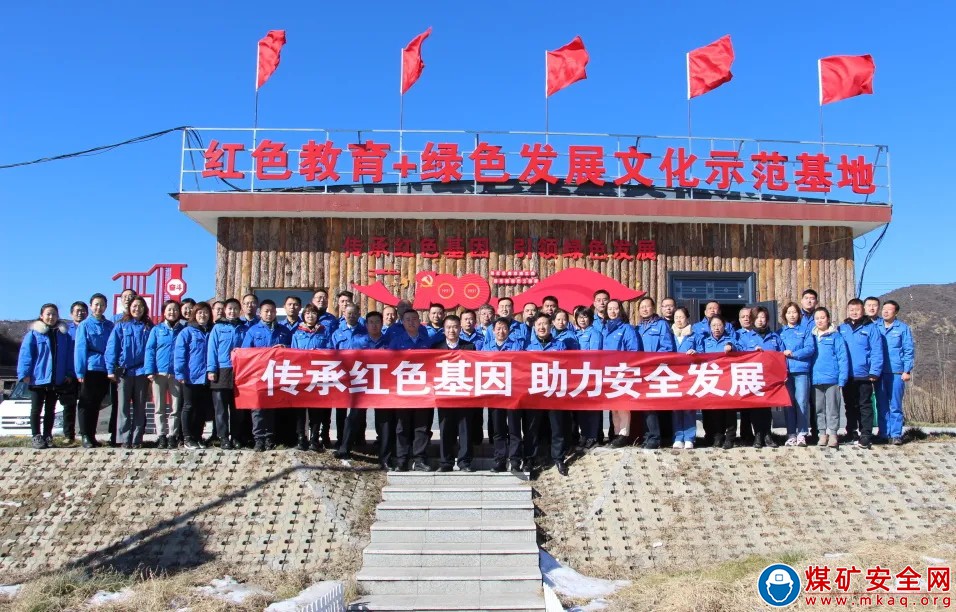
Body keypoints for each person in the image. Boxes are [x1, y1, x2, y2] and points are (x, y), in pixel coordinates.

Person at [335, 311, 390, 465]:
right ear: (366, 325)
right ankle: (344, 449)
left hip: (382, 385)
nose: (374, 325)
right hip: (362, 384)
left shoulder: (389, 341)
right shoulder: (358, 341)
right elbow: (349, 360)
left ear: (382, 324)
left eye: (377, 322)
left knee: (384, 421)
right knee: (353, 417)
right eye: (371, 322)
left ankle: (384, 456)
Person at [18, 304, 75, 449]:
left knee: (51, 409)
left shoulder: (64, 335)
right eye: (48, 314)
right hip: (38, 377)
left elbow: (69, 356)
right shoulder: (33, 334)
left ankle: (47, 435)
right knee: (36, 408)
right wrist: (24, 373)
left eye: (54, 314)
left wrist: (69, 373)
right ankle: (36, 436)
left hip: (56, 378)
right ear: (42, 315)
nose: (51, 317)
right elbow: (26, 355)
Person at [241, 300, 293, 451]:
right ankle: (258, 439)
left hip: (276, 375)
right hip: (258, 375)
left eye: (272, 311)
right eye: (266, 311)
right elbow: (245, 352)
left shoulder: (283, 331)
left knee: (271, 407)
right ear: (260, 313)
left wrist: (285, 348)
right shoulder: (253, 331)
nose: (269, 314)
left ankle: (270, 438)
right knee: (257, 408)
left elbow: (294, 350)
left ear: (276, 313)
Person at [387, 309, 435, 471]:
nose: (411, 322)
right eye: (408, 319)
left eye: (415, 319)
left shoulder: (427, 341)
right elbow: (388, 363)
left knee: (421, 427)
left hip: (423, 390)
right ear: (403, 322)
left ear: (419, 321)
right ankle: (402, 459)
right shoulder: (396, 341)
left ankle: (420, 459)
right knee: (402, 427)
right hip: (403, 391)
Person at [105, 296, 153, 449]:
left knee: (140, 407)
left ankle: (137, 438)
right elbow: (112, 348)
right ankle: (124, 438)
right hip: (124, 372)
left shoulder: (148, 327)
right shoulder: (121, 326)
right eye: (134, 306)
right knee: (123, 407)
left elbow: (151, 350)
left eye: (140, 306)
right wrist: (110, 369)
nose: (137, 309)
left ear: (144, 308)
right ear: (129, 308)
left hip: (142, 372)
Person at [525, 313, 569, 476]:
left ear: (551, 326)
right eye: (539, 324)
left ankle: (558, 458)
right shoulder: (528, 347)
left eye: (545, 324)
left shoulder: (560, 345)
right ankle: (530, 458)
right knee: (531, 429)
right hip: (534, 394)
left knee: (557, 428)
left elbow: (566, 367)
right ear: (534, 327)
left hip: (554, 393)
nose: (542, 327)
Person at [432, 314, 477, 472]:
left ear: (460, 328)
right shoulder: (436, 348)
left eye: (455, 327)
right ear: (444, 330)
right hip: (444, 395)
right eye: (449, 327)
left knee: (465, 428)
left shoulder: (469, 347)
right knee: (445, 429)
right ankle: (446, 462)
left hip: (464, 395)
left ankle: (465, 462)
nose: (452, 330)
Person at [735, 306, 783, 449]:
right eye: (757, 318)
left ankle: (767, 434)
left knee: (766, 408)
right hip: (753, 377)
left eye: (763, 317)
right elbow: (739, 354)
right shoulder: (746, 337)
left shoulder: (775, 337)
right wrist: (752, 351)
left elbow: (781, 357)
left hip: (770, 377)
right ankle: (758, 436)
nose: (760, 320)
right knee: (756, 408)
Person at [838, 298, 883, 449]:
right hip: (847, 374)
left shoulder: (871, 328)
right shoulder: (842, 328)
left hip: (864, 374)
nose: (854, 312)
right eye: (851, 310)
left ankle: (866, 435)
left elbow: (877, 351)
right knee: (850, 405)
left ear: (862, 310)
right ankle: (851, 432)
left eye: (857, 310)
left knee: (865, 405)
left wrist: (874, 371)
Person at [292, 303, 335, 451]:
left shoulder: (324, 332)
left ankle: (314, 439)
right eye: (308, 313)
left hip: (318, 376)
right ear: (304, 316)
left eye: (313, 313)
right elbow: (292, 354)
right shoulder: (297, 333)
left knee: (316, 410)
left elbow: (331, 351)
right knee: (300, 410)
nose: (310, 316)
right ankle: (300, 438)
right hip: (301, 376)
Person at [206, 298, 248, 449]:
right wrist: (211, 369)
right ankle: (223, 437)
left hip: (240, 371)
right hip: (221, 370)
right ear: (225, 310)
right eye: (230, 308)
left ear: (240, 310)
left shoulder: (245, 328)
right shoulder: (218, 328)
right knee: (221, 408)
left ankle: (236, 437)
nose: (232, 311)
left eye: (235, 308)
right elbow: (212, 349)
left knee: (237, 407)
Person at [75, 293, 114, 448]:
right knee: (86, 402)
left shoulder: (110, 325)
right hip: (91, 367)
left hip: (105, 368)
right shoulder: (85, 325)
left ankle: (92, 435)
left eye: (102, 304)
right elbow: (80, 348)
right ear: (91, 306)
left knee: (97, 402)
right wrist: (80, 371)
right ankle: (85, 434)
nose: (99, 307)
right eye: (96, 304)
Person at [636, 297, 676, 449]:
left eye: (648, 306)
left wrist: (652, 360)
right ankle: (647, 436)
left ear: (653, 308)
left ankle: (655, 438)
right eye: (642, 307)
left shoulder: (661, 325)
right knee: (643, 405)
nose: (645, 309)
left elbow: (667, 347)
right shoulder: (637, 328)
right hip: (641, 371)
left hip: (656, 369)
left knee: (651, 405)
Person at [602, 299, 642, 447]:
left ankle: (624, 434)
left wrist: (627, 368)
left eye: (615, 308)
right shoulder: (604, 329)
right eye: (610, 309)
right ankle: (616, 433)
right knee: (613, 405)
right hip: (608, 372)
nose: (612, 311)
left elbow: (634, 351)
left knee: (623, 405)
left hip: (623, 371)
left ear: (620, 310)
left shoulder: (627, 329)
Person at [483, 317, 521, 472]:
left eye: (504, 328)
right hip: (495, 395)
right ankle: (500, 460)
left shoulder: (517, 346)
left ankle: (516, 460)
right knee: (498, 431)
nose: (501, 331)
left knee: (514, 430)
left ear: (509, 330)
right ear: (493, 331)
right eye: (498, 328)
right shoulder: (486, 348)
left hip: (513, 394)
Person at [144, 300, 183, 449]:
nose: (172, 312)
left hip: (176, 374)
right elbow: (150, 350)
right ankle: (161, 436)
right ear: (164, 312)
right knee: (159, 407)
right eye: (169, 310)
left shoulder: (182, 330)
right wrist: (149, 370)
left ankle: (172, 436)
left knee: (175, 407)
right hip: (158, 373)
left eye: (175, 310)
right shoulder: (157, 330)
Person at [174, 301, 213, 450]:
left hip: (206, 377)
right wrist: (180, 372)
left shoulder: (211, 331)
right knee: (189, 407)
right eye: (200, 312)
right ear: (194, 315)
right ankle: (187, 438)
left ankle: (198, 436)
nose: (203, 315)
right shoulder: (187, 332)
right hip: (191, 375)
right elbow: (179, 354)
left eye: (205, 312)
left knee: (202, 408)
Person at [694, 315, 736, 449]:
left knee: (729, 410)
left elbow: (739, 349)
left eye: (719, 325)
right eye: (713, 325)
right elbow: (700, 355)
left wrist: (731, 347)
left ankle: (730, 437)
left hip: (727, 379)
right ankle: (716, 436)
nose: (716, 328)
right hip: (711, 379)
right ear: (709, 328)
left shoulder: (731, 340)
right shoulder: (705, 341)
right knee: (713, 410)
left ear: (724, 326)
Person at [876, 300, 915, 445]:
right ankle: (883, 433)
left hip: (897, 371)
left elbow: (908, 350)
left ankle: (896, 434)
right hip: (879, 371)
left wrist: (907, 370)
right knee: (881, 404)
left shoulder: (903, 328)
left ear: (896, 312)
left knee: (895, 404)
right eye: (884, 309)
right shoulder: (876, 326)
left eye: (889, 309)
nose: (885, 311)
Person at [810, 307, 849, 448]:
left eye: (822, 317)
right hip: (815, 379)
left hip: (832, 378)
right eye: (817, 318)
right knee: (819, 409)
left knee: (833, 408)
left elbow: (842, 358)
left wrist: (842, 379)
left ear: (828, 319)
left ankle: (833, 434)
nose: (820, 320)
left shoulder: (836, 337)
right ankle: (822, 434)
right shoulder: (811, 336)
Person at [778, 302, 815, 447]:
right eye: (789, 312)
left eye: (794, 312)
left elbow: (810, 348)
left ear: (799, 315)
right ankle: (791, 434)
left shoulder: (805, 330)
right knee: (789, 404)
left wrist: (793, 354)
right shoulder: (780, 332)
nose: (792, 315)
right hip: (786, 372)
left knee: (802, 403)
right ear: (784, 315)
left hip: (801, 371)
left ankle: (802, 434)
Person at [332, 304, 368, 447]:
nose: (351, 316)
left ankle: (359, 439)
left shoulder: (365, 332)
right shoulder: (337, 333)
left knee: (360, 410)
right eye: (349, 313)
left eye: (354, 313)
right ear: (343, 314)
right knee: (341, 410)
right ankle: (341, 439)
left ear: (359, 314)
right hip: (342, 376)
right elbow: (331, 353)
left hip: (360, 376)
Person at [572, 306, 602, 449]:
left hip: (590, 374)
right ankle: (584, 435)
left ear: (590, 318)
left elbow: (595, 355)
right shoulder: (575, 334)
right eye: (579, 317)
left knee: (592, 408)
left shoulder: (595, 333)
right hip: (578, 376)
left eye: (585, 317)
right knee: (581, 408)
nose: (582, 320)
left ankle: (592, 436)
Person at [60, 301, 88, 443]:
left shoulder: (89, 328)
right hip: (70, 373)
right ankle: (68, 435)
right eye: (77, 310)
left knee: (85, 405)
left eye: (83, 311)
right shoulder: (64, 330)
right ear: (71, 313)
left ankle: (86, 434)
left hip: (85, 372)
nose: (80, 313)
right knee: (68, 405)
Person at [671, 307, 698, 449]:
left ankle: (689, 437)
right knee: (676, 407)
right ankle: (678, 436)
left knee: (688, 407)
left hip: (689, 375)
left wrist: (696, 352)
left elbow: (702, 351)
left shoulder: (694, 335)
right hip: (674, 374)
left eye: (681, 317)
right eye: (676, 317)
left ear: (687, 318)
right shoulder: (670, 334)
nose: (679, 320)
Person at [459, 309, 485, 446]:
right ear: (460, 322)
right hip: (459, 378)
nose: (468, 322)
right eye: (465, 319)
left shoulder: (482, 338)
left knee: (476, 411)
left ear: (475, 322)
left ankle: (477, 439)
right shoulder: (456, 339)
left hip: (477, 379)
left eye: (471, 319)